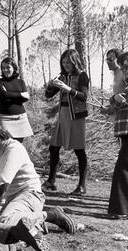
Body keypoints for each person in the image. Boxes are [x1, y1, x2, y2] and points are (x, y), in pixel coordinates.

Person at [0, 119, 76, 234]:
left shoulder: (13, 149)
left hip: (29, 195)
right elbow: (1, 187)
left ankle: (50, 215)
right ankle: (33, 224)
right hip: (13, 200)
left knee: (6, 222)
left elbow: (3, 183)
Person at [42, 49, 89, 195]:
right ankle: (51, 182)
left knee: (79, 150)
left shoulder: (82, 75)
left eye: (68, 62)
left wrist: (68, 88)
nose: (66, 64)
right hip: (62, 114)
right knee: (54, 147)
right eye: (63, 62)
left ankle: (81, 186)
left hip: (76, 115)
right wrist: (50, 85)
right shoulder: (62, 76)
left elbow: (84, 96)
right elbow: (48, 95)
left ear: (75, 61)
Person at [108, 51, 128, 219]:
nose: (126, 71)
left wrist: (115, 98)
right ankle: (120, 208)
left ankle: (120, 208)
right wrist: (115, 98)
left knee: (123, 165)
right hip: (124, 127)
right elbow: (115, 100)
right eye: (124, 68)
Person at [0, 57, 33, 143]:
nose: (5, 70)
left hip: (20, 118)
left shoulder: (20, 82)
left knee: (18, 146)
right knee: (5, 144)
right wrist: (20, 95)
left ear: (14, 68)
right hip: (4, 118)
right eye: (3, 68)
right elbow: (3, 95)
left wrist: (10, 95)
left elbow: (25, 99)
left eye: (8, 67)